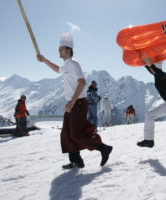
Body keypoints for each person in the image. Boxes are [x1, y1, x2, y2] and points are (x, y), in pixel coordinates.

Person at [37, 33, 112, 169]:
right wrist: (44, 60)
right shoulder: (66, 65)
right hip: (72, 104)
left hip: (76, 103)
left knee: (76, 135)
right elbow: (57, 69)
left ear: (68, 50)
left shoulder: (73, 64)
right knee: (66, 133)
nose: (59, 51)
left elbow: (82, 82)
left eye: (61, 49)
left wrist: (72, 102)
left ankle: (103, 148)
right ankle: (76, 160)